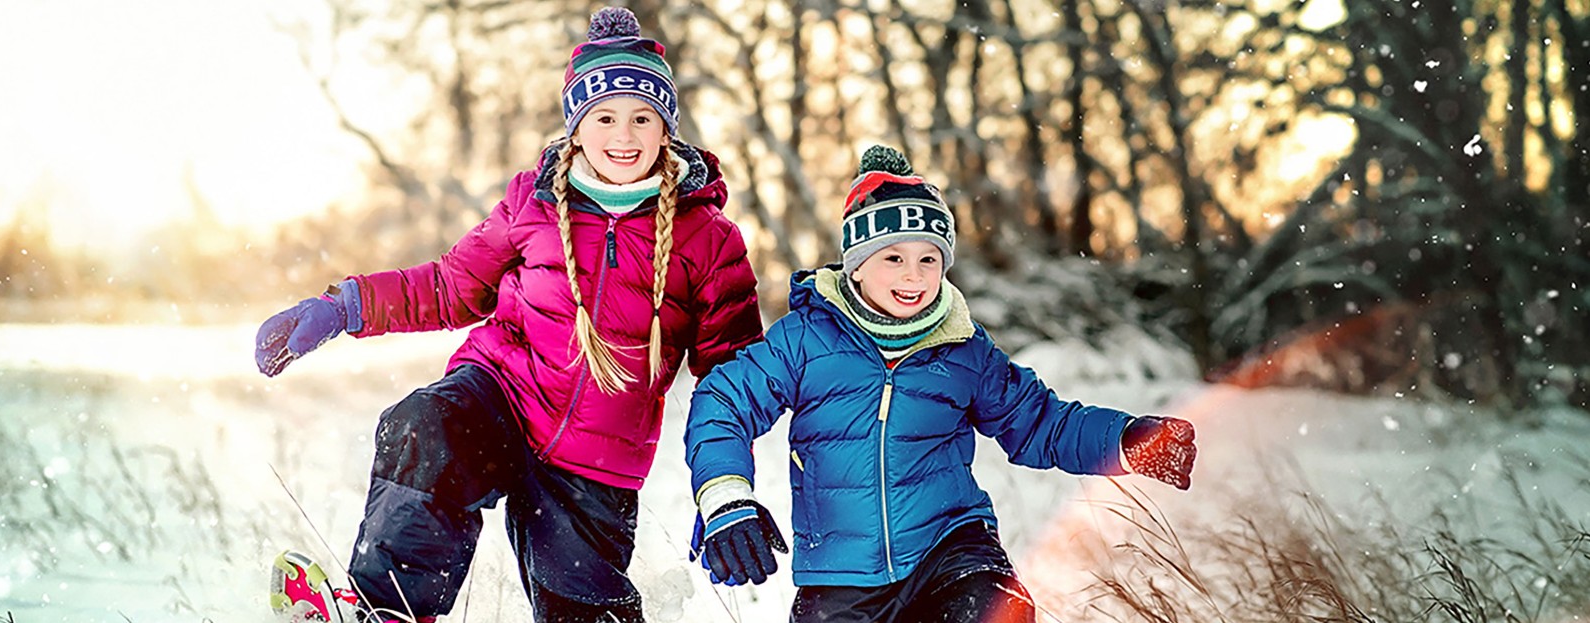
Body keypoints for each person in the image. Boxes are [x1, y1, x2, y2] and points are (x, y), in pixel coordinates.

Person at [254, 8, 762, 622]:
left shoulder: (708, 236)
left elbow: (733, 378)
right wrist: (344, 307)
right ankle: (384, 610)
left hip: (597, 462)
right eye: (604, 117)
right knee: (425, 427)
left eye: (642, 117)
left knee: (586, 613)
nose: (623, 135)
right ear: (576, 127)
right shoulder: (534, 200)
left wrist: (724, 491)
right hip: (501, 399)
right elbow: (450, 286)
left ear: (666, 128)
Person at [682, 146, 1197, 623]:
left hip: (952, 550)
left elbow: (1040, 423)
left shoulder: (963, 348)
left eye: (928, 258)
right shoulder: (805, 339)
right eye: (893, 258)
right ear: (857, 267)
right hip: (840, 575)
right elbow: (723, 403)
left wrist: (1127, 442)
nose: (914, 276)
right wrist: (727, 499)